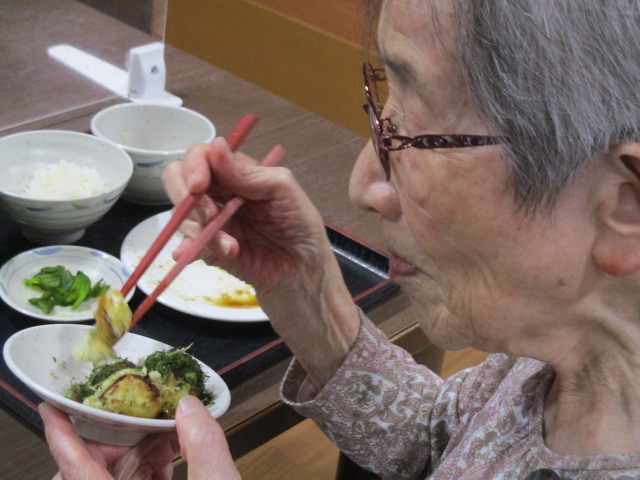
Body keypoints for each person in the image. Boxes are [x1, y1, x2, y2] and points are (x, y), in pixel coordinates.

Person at [41, 0, 640, 478]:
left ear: (623, 205)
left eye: (412, 132)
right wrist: (306, 291)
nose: (364, 185)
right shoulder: (551, 364)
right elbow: (438, 442)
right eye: (383, 113)